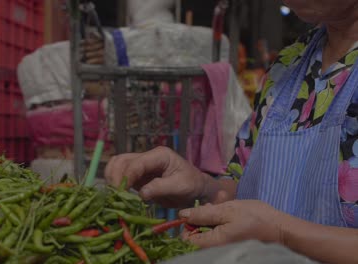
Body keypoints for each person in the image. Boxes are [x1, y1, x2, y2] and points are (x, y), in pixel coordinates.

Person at [105, 0, 358, 263]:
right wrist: (205, 188)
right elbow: (250, 187)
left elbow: (272, 223)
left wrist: (282, 234)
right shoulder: (290, 63)